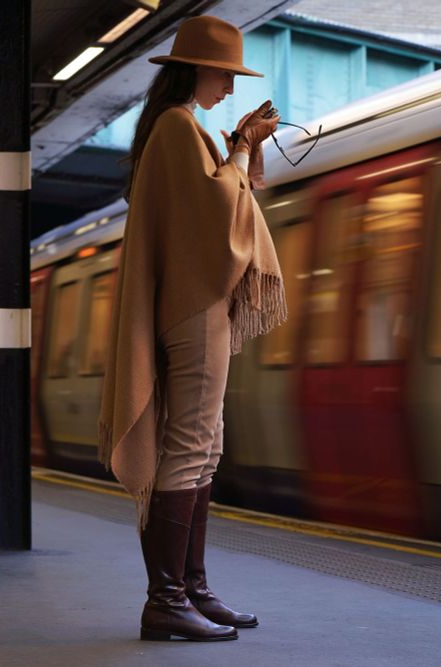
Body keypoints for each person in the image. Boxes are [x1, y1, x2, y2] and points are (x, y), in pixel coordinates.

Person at [98, 15, 287, 642]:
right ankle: (168, 598)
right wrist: (240, 146)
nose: (230, 87)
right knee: (192, 445)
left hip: (190, 305)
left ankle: (191, 591)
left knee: (204, 446)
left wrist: (238, 144)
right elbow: (215, 214)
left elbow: (217, 200)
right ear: (194, 69)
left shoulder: (175, 130)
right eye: (224, 73)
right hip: (194, 307)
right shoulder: (179, 129)